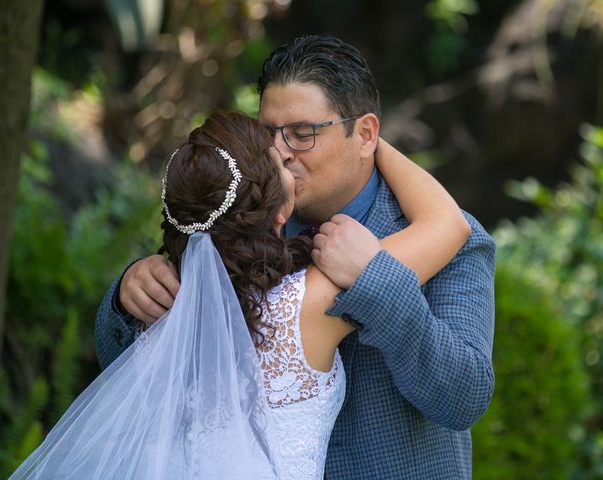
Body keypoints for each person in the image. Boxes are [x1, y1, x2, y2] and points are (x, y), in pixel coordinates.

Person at [96, 35, 496, 479]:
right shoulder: (242, 219)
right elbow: (136, 377)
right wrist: (128, 297)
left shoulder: (453, 244)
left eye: (302, 135)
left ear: (365, 134)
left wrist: (377, 279)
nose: (281, 152)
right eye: (268, 134)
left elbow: (466, 398)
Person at [12, 110, 468, 480]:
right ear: (279, 210)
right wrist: (365, 139)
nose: (290, 156)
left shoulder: (165, 312)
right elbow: (448, 224)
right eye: (279, 155)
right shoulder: (311, 307)